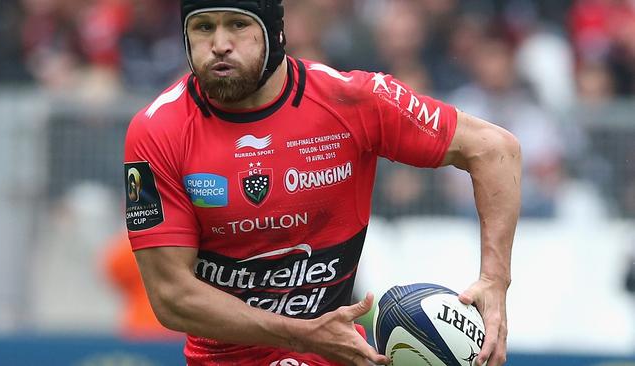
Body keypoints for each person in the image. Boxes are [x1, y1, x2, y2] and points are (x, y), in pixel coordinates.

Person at [123, 1, 521, 365]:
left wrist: (494, 283)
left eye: (239, 25)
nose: (220, 44)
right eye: (204, 27)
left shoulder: (352, 99)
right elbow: (171, 298)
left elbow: (495, 150)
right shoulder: (155, 131)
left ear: (274, 32)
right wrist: (305, 336)